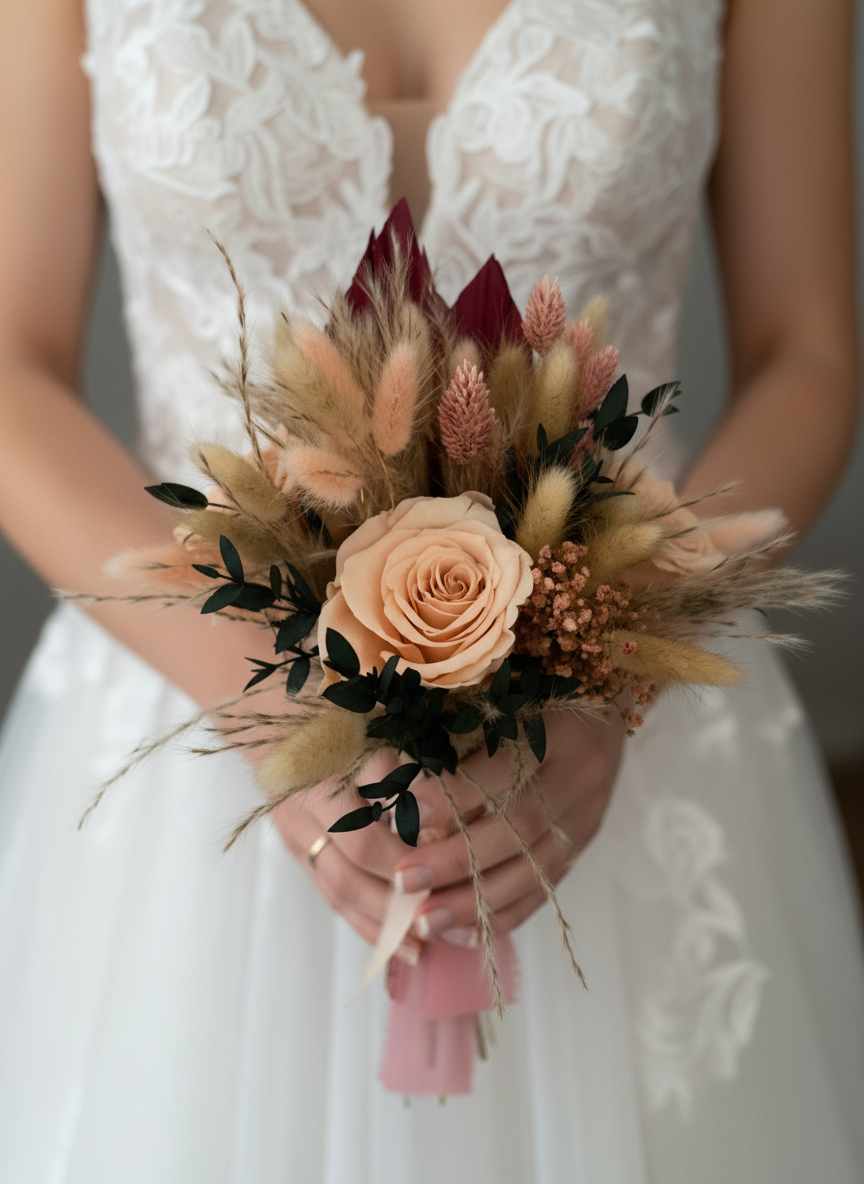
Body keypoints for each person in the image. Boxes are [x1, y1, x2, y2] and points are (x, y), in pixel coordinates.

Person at [0, 0, 862, 1180]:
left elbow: (807, 347)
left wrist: (608, 677)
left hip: (623, 723)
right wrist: (274, 697)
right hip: (187, 698)